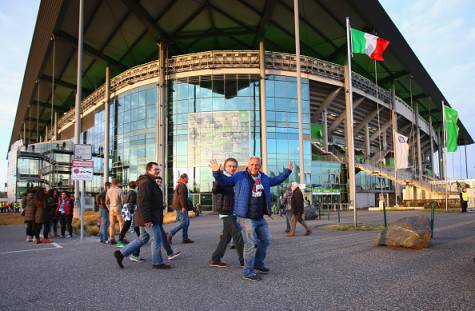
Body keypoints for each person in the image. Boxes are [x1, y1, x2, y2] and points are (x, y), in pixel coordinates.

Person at [211, 157, 292, 281]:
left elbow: (276, 180)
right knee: (250, 243)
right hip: (246, 217)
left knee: (266, 240)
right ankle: (248, 271)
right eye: (252, 164)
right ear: (248, 165)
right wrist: (217, 172)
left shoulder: (263, 178)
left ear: (260, 166)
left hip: (259, 217)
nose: (254, 167)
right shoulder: (240, 176)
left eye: (257, 164)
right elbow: (225, 181)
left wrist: (287, 171)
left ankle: (258, 264)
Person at [114, 162, 173, 270]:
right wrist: (147, 219)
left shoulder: (150, 182)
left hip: (148, 216)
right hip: (148, 218)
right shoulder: (146, 183)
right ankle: (157, 262)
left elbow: (151, 200)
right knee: (157, 238)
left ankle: (121, 253)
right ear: (149, 170)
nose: (158, 171)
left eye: (158, 169)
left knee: (143, 238)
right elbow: (143, 202)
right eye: (155, 169)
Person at [209, 158, 244, 268]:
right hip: (226, 212)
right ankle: (245, 262)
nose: (232, 168)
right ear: (225, 167)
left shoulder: (235, 179)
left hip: (234, 212)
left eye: (234, 166)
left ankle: (215, 259)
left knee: (226, 237)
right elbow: (215, 190)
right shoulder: (221, 178)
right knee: (238, 235)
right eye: (229, 166)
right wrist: (216, 174)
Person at [167, 173, 194, 244]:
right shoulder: (182, 185)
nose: (188, 179)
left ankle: (185, 238)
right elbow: (182, 197)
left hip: (181, 206)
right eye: (187, 178)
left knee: (186, 222)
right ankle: (169, 234)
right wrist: (183, 207)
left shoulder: (180, 185)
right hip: (181, 207)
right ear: (184, 178)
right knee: (184, 222)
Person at [118, 181, 137, 247]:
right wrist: (132, 212)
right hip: (130, 210)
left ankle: (121, 239)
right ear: (136, 186)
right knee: (127, 225)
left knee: (128, 225)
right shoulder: (133, 192)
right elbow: (131, 202)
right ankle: (120, 240)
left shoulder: (129, 192)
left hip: (127, 210)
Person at [106, 178, 124, 245]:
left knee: (112, 224)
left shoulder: (109, 190)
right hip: (118, 208)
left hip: (111, 208)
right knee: (121, 223)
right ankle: (121, 238)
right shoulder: (120, 190)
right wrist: (123, 207)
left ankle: (112, 239)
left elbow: (106, 201)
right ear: (118, 183)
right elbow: (123, 201)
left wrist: (108, 208)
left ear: (112, 183)